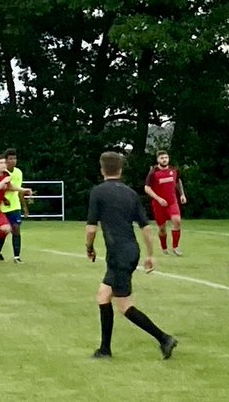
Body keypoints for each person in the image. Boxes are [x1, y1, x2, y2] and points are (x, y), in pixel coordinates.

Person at [86, 151, 177, 360]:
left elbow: (91, 228)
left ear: (102, 170)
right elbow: (145, 227)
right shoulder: (130, 193)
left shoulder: (98, 192)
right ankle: (105, 350)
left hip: (118, 254)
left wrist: (88, 247)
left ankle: (164, 338)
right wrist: (150, 255)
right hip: (129, 250)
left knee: (124, 305)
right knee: (102, 296)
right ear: (120, 169)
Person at [143, 151, 186, 256]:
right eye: (162, 158)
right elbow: (147, 188)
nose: (164, 159)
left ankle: (175, 247)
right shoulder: (153, 173)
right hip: (159, 204)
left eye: (166, 157)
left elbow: (178, 181)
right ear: (158, 160)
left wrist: (182, 194)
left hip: (172, 202)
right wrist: (158, 199)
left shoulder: (173, 170)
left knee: (177, 221)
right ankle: (164, 247)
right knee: (162, 228)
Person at [0, 148, 29, 263]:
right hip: (1, 207)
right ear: (6, 160)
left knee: (16, 229)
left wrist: (24, 207)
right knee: (3, 231)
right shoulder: (1, 172)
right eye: (10, 159)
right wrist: (3, 199)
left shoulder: (18, 172)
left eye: (14, 158)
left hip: (15, 206)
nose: (13, 161)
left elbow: (19, 190)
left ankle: (16, 257)